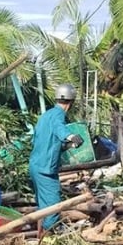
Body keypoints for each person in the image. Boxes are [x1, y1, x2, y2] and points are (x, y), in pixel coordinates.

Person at [29, 84, 83, 236]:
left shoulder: (46, 116)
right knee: (53, 203)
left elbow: (46, 141)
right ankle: (50, 234)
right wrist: (71, 136)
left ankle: (40, 235)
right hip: (45, 168)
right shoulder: (59, 115)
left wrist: (70, 145)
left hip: (36, 165)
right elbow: (60, 128)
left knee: (43, 204)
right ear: (71, 102)